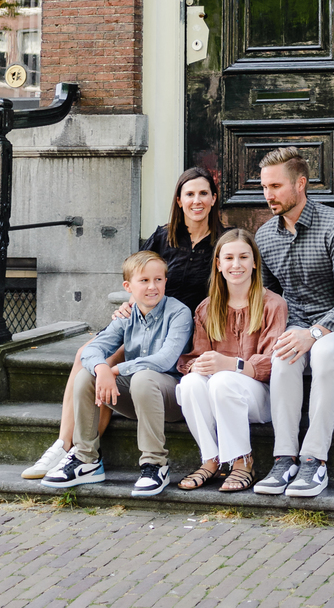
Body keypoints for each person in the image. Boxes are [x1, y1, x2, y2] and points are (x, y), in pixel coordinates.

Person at [22, 166, 221, 479]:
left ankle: (81, 451)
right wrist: (130, 305)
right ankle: (67, 447)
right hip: (145, 321)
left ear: (213, 198)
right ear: (179, 200)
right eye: (190, 194)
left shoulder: (222, 243)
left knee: (116, 368)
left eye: (203, 193)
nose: (197, 200)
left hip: (185, 330)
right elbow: (140, 275)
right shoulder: (163, 236)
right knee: (88, 358)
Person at [252, 145, 334, 500]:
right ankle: (284, 458)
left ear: (301, 184)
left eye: (276, 186)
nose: (268, 195)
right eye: (264, 187)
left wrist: (315, 333)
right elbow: (270, 298)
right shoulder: (265, 236)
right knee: (283, 353)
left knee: (323, 352)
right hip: (302, 325)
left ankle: (315, 460)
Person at [41, 250, 192, 497]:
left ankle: (154, 465)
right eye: (144, 281)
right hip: (137, 397)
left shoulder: (178, 313)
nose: (152, 287)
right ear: (128, 286)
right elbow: (93, 349)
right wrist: (101, 369)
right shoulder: (126, 315)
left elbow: (165, 359)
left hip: (171, 399)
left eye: (158, 280)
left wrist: (117, 369)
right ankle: (86, 459)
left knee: (142, 377)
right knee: (86, 376)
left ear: (166, 281)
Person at [175, 227, 287, 493]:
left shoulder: (273, 304)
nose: (236, 265)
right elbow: (194, 357)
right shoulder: (206, 308)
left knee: (224, 379)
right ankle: (210, 459)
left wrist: (230, 364)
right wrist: (197, 366)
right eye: (228, 258)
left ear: (255, 263)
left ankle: (243, 462)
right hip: (219, 394)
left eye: (244, 257)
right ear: (218, 264)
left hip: (260, 397)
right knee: (190, 383)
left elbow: (273, 365)